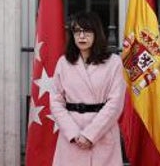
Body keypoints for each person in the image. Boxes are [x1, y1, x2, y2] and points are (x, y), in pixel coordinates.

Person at [48, 11, 125, 165]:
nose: (82, 36)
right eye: (77, 31)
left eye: (87, 31)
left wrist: (90, 135)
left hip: (102, 133)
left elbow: (115, 104)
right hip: (71, 135)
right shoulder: (64, 63)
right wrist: (73, 133)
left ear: (97, 33)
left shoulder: (113, 63)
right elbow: (55, 101)